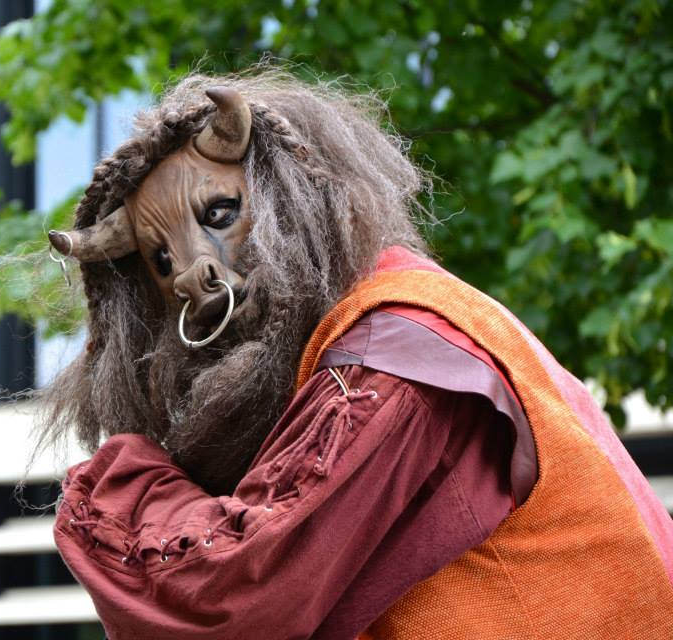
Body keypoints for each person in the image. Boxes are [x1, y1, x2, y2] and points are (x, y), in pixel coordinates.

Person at [41, 70, 673, 639]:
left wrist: (120, 483)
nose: (188, 274)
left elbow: (232, 598)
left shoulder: (394, 351)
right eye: (161, 259)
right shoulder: (391, 331)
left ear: (291, 198)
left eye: (221, 213)